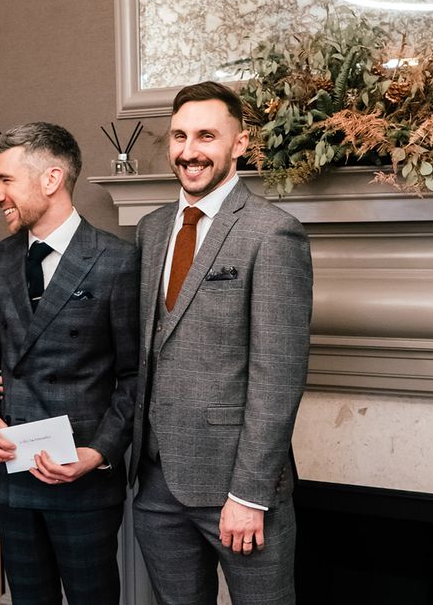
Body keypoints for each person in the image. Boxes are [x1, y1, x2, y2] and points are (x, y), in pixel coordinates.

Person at [130, 81, 313, 605]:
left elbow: (278, 375)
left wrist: (249, 495)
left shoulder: (272, 233)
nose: (189, 152)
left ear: (239, 143)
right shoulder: (150, 230)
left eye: (206, 136)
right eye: (179, 136)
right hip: (156, 486)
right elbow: (142, 348)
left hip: (238, 491)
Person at [0, 122, 138, 605]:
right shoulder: (0, 260)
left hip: (82, 483)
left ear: (51, 179)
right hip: (12, 480)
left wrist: (99, 452)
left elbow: (133, 376)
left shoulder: (116, 260)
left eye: (5, 181)